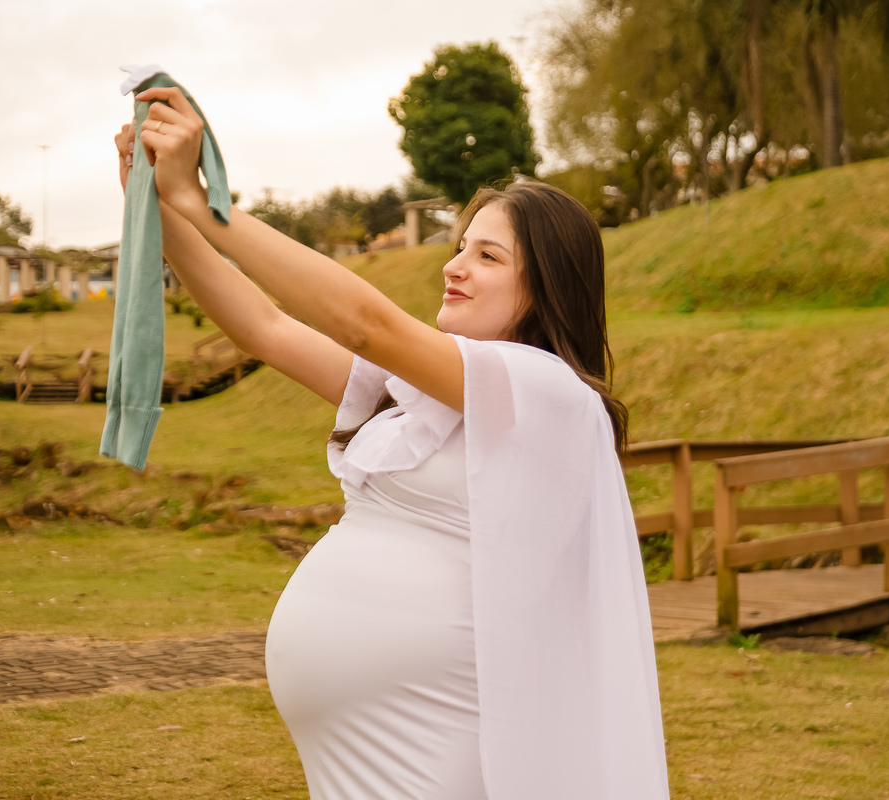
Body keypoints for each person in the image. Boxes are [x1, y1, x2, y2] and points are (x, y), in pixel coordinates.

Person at [116, 86, 669, 800]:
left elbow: (365, 324)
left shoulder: (552, 395)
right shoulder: (425, 396)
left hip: (436, 750)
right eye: (459, 247)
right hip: (360, 761)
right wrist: (158, 206)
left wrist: (203, 202)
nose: (453, 266)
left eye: (488, 256)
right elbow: (265, 328)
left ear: (547, 286)